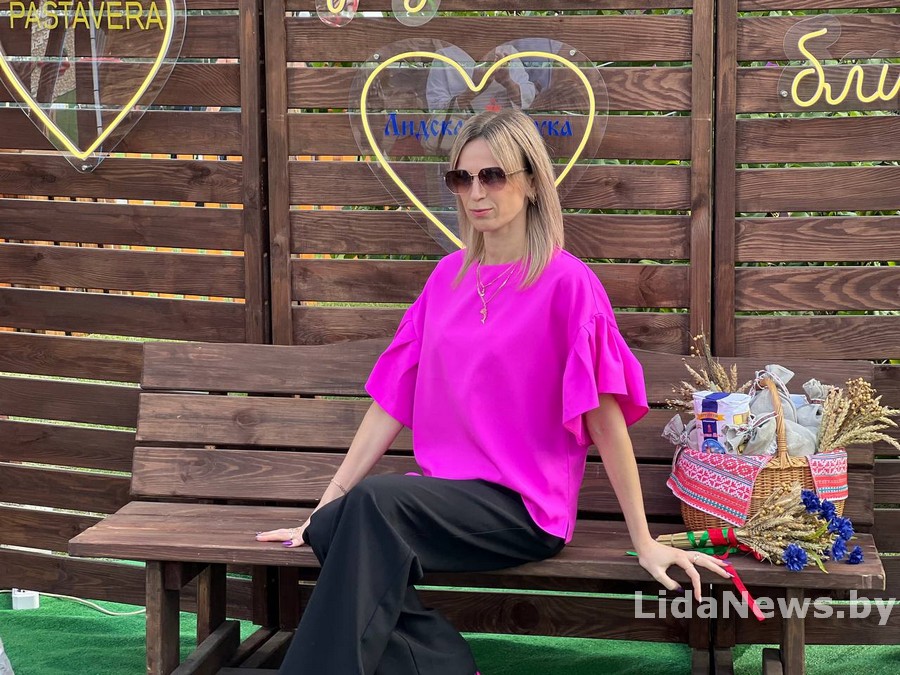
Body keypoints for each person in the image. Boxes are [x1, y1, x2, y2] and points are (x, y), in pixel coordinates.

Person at [256, 108, 731, 675]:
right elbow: (391, 402)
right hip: (444, 501)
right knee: (337, 523)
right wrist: (322, 507)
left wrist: (645, 540)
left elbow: (604, 421)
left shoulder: (568, 283)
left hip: (524, 511)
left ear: (531, 182)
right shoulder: (446, 279)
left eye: (493, 176)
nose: (475, 193)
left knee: (372, 505)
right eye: (462, 178)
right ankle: (444, 665)